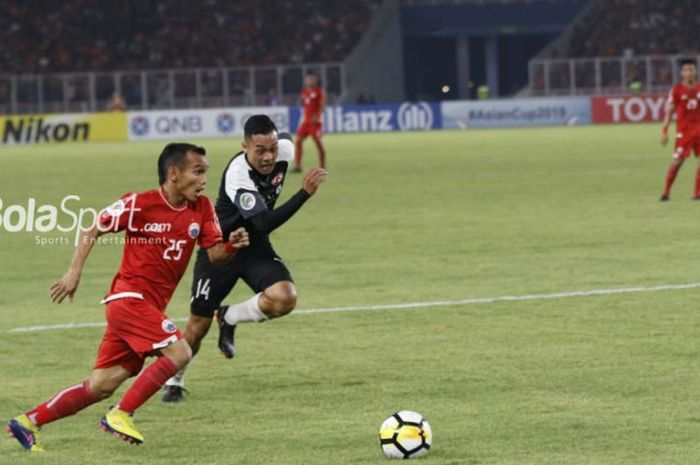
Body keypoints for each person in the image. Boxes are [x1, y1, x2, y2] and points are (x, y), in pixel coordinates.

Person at [6, 143, 250, 451]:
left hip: (145, 309)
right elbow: (93, 227)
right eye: (197, 172)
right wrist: (73, 272)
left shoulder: (202, 209)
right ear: (174, 174)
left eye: (205, 173)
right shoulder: (140, 204)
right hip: (128, 299)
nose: (203, 181)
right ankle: (121, 413)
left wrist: (231, 246)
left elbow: (214, 255)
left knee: (101, 385)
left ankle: (27, 422)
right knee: (181, 352)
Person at [162, 115, 327, 402]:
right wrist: (304, 193)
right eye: (260, 150)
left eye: (272, 148)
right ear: (244, 147)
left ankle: (229, 316)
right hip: (221, 247)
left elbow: (286, 137)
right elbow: (262, 222)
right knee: (197, 327)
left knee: (284, 298)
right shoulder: (238, 174)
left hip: (254, 246)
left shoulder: (282, 151)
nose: (268, 156)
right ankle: (175, 381)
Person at [660, 59, 700, 201]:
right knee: (678, 161)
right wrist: (665, 131)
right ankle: (666, 192)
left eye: (691, 69)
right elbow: (669, 112)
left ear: (695, 71)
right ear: (682, 73)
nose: (688, 72)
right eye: (686, 70)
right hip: (684, 132)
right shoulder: (677, 90)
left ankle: (697, 193)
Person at [293, 72, 326, 172]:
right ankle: (298, 166)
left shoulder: (319, 91)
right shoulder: (304, 92)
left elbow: (322, 106)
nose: (310, 81)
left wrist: (316, 116)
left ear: (316, 80)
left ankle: (322, 166)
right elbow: (305, 106)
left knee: (317, 142)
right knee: (298, 141)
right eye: (308, 79)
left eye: (312, 79)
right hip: (306, 122)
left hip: (315, 122)